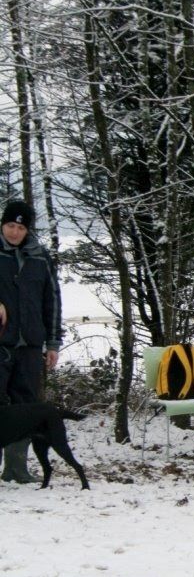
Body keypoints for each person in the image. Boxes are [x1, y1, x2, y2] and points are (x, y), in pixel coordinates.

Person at [0, 200, 63, 483]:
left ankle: (16, 468)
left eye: (20, 227)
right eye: (10, 226)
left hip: (31, 344)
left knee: (25, 405)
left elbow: (52, 300)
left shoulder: (40, 257)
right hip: (1, 341)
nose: (14, 232)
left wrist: (52, 343)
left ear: (28, 229)